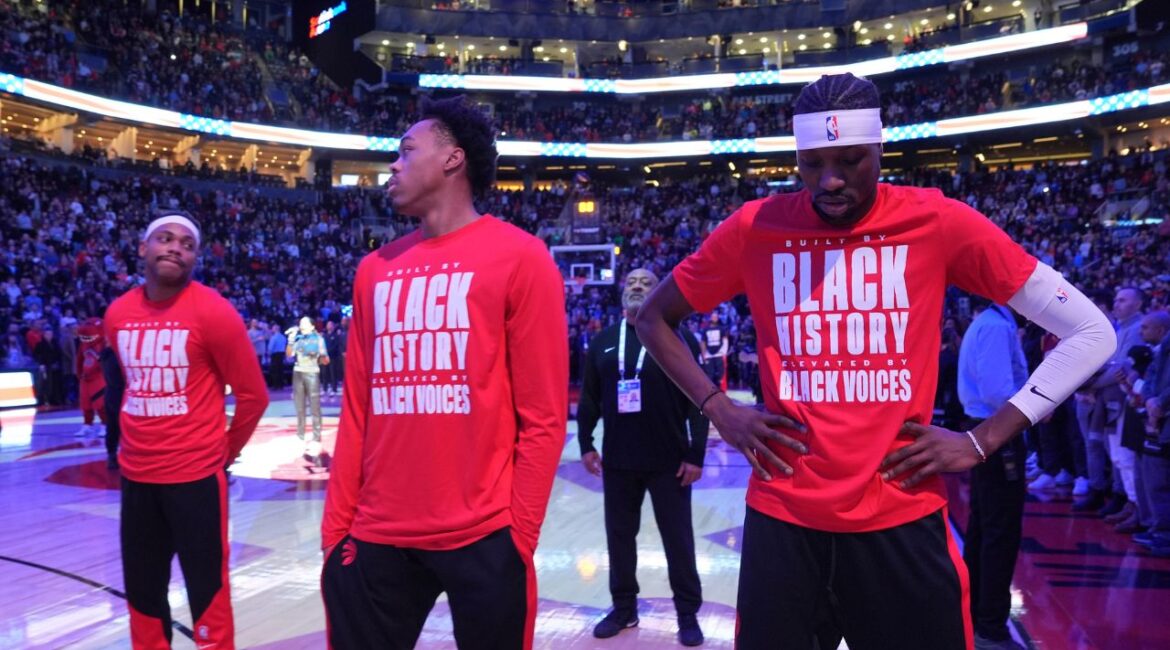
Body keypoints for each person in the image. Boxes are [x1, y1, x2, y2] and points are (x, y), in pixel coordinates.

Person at [634, 73, 1116, 649]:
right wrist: (720, 410)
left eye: (850, 160)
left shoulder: (937, 222)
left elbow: (1091, 331)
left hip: (902, 518)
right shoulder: (755, 227)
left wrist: (983, 439)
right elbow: (652, 317)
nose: (829, 180)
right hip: (783, 519)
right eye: (811, 163)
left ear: (881, 149)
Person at [321, 96, 569, 649]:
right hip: (375, 534)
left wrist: (518, 537)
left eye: (406, 151)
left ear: (453, 159)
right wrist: (337, 530)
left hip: (483, 535)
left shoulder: (521, 258)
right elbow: (358, 406)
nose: (393, 165)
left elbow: (546, 417)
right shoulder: (373, 270)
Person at [105, 211, 269, 649]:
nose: (175, 247)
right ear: (144, 248)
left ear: (196, 258)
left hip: (195, 479)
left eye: (187, 243)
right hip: (137, 478)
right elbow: (126, 386)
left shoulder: (214, 312)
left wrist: (224, 453)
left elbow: (254, 396)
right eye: (164, 238)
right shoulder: (118, 314)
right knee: (142, 591)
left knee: (207, 592)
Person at [577, 268, 708, 647]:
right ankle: (623, 608)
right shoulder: (602, 341)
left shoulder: (680, 338)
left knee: (678, 539)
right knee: (619, 538)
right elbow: (588, 399)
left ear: (658, 293)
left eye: (646, 283)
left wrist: (696, 454)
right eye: (631, 283)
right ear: (622, 295)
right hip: (618, 461)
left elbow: (700, 401)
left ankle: (687, 613)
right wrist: (586, 443)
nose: (637, 286)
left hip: (670, 461)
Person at [957, 300, 1029, 650]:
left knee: (984, 525)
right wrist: (1038, 408)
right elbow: (998, 391)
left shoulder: (986, 323)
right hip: (999, 430)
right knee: (1000, 530)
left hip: (984, 428)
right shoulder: (997, 327)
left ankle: (977, 614)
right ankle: (991, 625)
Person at [286, 316, 329, 462]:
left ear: (312, 326)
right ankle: (300, 435)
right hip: (297, 372)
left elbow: (325, 360)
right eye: (301, 323)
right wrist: (291, 340)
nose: (302, 325)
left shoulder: (318, 339)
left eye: (305, 323)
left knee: (315, 407)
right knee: (299, 407)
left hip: (312, 373)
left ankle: (316, 438)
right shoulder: (297, 339)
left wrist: (322, 356)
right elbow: (288, 355)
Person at [76, 317, 109, 436]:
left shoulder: (105, 343)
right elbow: (79, 359)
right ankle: (87, 425)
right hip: (86, 378)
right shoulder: (83, 344)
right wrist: (79, 374)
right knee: (85, 403)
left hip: (99, 377)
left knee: (100, 403)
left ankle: (105, 425)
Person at [700, 311, 729, 389]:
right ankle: (710, 390)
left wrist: (724, 352)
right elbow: (703, 342)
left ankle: (720, 390)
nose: (714, 318)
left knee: (720, 373)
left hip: (719, 353)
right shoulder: (705, 330)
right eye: (713, 317)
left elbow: (725, 340)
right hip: (709, 354)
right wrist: (703, 354)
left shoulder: (721, 329)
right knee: (710, 374)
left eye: (716, 317)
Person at [267, 323, 288, 389]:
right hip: (281, 354)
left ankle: (276, 385)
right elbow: (285, 345)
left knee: (275, 370)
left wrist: (269, 354)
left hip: (275, 355)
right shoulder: (283, 337)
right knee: (280, 370)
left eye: (272, 328)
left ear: (275, 329)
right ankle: (281, 385)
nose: (271, 330)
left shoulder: (274, 337)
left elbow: (270, 347)